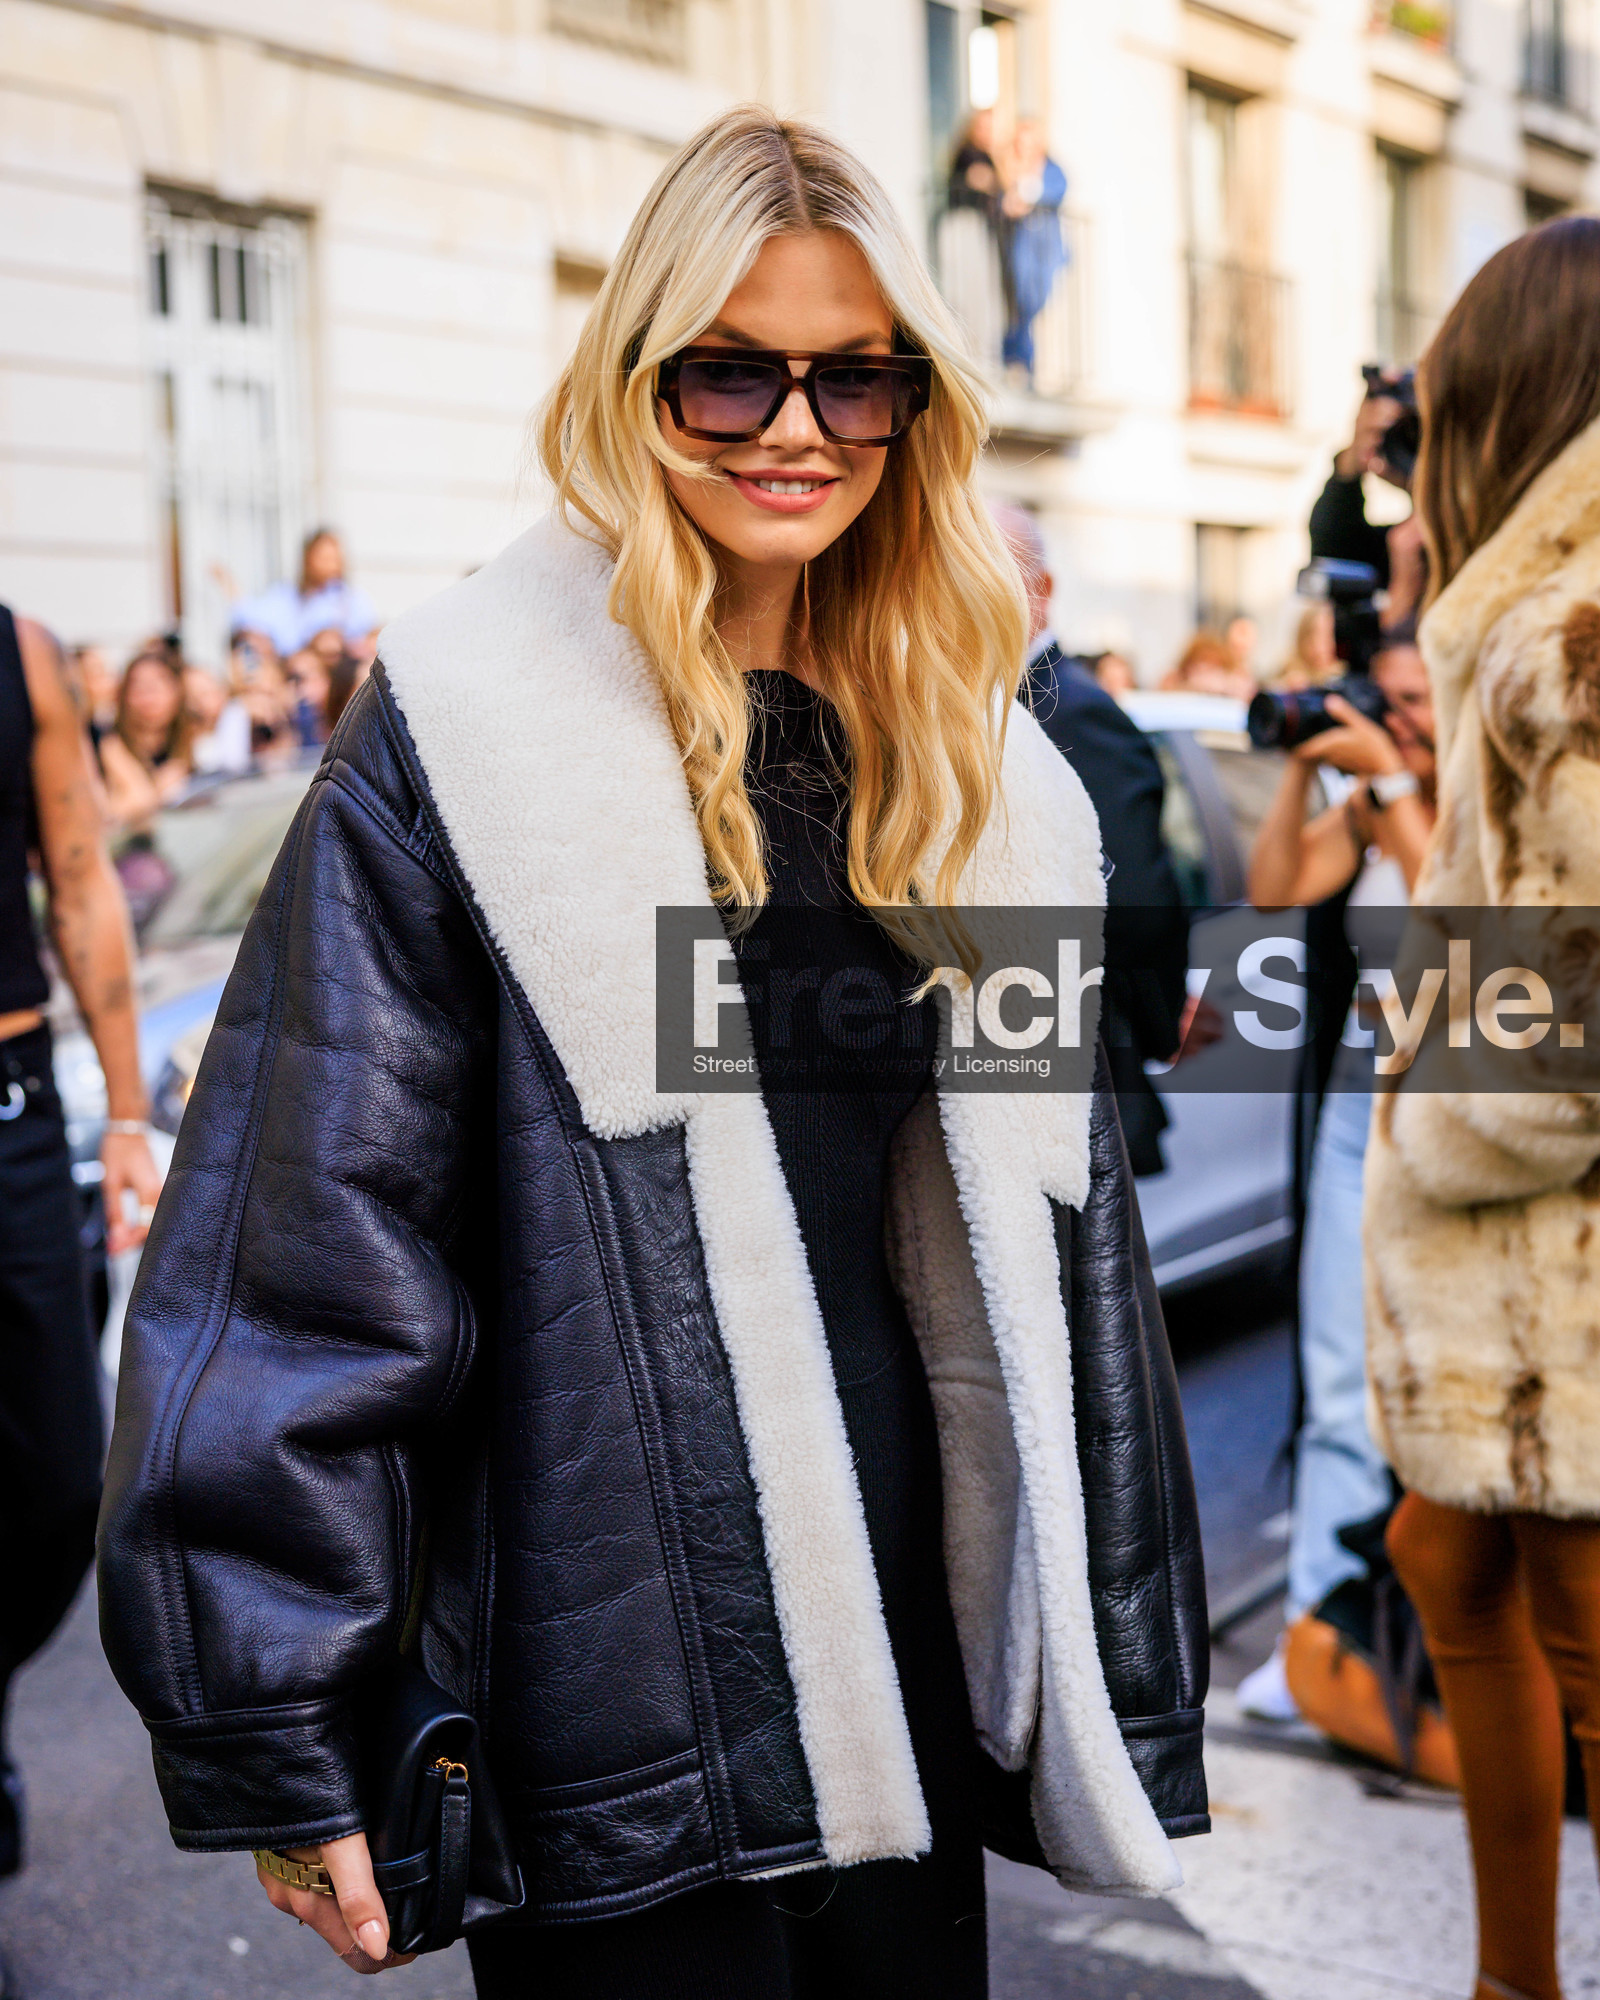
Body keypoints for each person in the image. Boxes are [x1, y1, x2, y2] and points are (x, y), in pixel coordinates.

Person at [99, 108, 1209, 2000]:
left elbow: (1070, 1265)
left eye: (854, 381)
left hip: (923, 1683)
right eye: (731, 373)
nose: (795, 429)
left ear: (915, 409)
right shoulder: (466, 733)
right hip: (617, 1687)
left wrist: (1119, 1659)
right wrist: (280, 1725)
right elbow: (306, 1246)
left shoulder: (983, 770)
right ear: (637, 383)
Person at [1363, 215, 1600, 2000]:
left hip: (1556, 1261)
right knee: (1447, 1554)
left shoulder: (1565, 633)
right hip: (1518, 1285)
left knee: (1581, 1634)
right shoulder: (1520, 615)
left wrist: (1456, 1109)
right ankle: (1513, 1982)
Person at [1237, 634, 1437, 1722]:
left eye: (1415, 702)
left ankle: (1437, 1633)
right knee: (1332, 1372)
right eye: (1383, 701)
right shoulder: (1370, 799)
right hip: (1365, 1098)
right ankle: (1316, 1630)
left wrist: (1394, 777)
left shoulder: (1493, 803)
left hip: (1463, 1105)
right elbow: (1273, 890)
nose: (1397, 718)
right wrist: (1306, 766)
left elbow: (1461, 918)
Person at [0, 607, 160, 1897]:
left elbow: (80, 874)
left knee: (60, 1480)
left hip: (10, 1106)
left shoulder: (27, 658)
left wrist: (121, 1108)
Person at [995, 504, 1190, 1174]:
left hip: (1077, 1075)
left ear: (1041, 594)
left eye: (986, 570)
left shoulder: (1071, 709)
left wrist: (1160, 1021)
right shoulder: (983, 699)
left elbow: (1136, 898)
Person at [230, 528, 378, 661]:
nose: (330, 565)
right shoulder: (286, 595)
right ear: (308, 560)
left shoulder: (353, 599)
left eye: (334, 559)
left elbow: (365, 636)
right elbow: (254, 618)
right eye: (324, 558)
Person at [997, 119, 1067, 380]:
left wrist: (1027, 197)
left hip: (1046, 245)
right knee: (1024, 296)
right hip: (1023, 243)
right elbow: (1006, 202)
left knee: (1038, 297)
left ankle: (1015, 349)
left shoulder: (1051, 168)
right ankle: (1020, 355)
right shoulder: (1011, 168)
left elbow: (1057, 191)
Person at [99, 647, 194, 832]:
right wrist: (157, 791)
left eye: (157, 685)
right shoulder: (109, 743)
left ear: (178, 691)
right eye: (138, 686)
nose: (148, 696)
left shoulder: (193, 742)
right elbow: (116, 812)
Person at [939, 110, 1005, 369]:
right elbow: (981, 180)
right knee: (966, 289)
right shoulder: (968, 154)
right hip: (964, 225)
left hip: (976, 227)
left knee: (979, 292)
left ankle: (980, 350)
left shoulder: (984, 156)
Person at [1161, 631, 1254, 701]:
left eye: (1213, 665)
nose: (1205, 669)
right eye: (1201, 661)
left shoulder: (1235, 681)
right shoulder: (1175, 679)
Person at [1272, 602, 1337, 689]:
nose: (1321, 648)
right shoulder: (1289, 676)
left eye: (1328, 636)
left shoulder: (1343, 679)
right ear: (1302, 639)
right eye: (1313, 637)